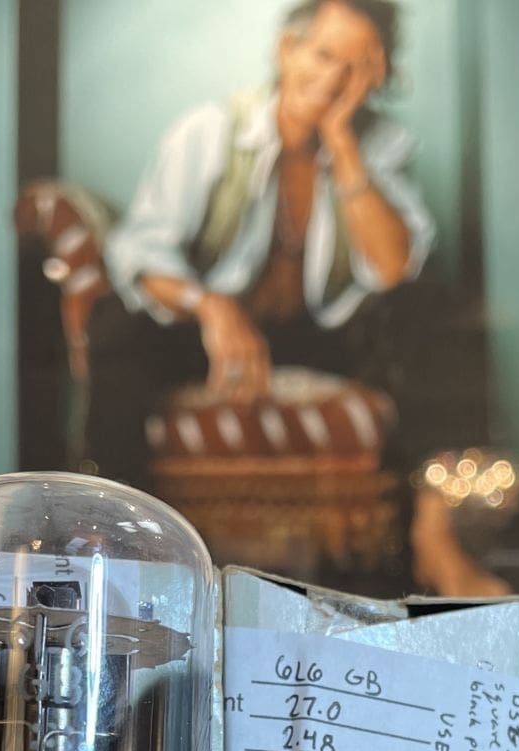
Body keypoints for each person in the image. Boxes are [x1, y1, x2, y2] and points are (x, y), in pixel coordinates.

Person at [89, 0, 437, 487]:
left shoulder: (380, 145)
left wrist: (341, 144)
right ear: (286, 49)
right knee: (117, 320)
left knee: (421, 303)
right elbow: (139, 252)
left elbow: (393, 269)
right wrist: (210, 306)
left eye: (356, 68)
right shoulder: (211, 130)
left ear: (376, 77)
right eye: (324, 55)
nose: (335, 80)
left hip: (319, 339)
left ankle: (425, 515)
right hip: (209, 339)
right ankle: (115, 513)